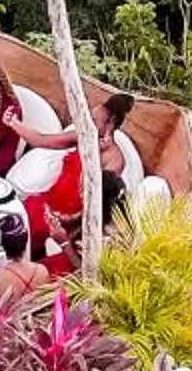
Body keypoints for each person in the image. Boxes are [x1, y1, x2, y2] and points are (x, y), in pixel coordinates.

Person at [28, 92, 134, 255]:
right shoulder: (84, 137)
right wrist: (13, 123)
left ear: (110, 124)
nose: (87, 124)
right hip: (49, 201)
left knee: (29, 232)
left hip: (71, 219)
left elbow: (96, 200)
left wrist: (64, 220)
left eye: (93, 121)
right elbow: (42, 140)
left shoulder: (115, 160)